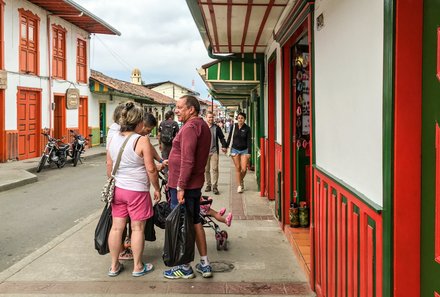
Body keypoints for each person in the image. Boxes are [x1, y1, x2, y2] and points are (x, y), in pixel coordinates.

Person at [106, 101, 161, 277]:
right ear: (139, 122)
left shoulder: (113, 138)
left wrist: (114, 180)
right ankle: (138, 266)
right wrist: (157, 188)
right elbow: (151, 169)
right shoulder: (141, 140)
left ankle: (114, 266)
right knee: (137, 228)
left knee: (116, 228)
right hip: (137, 190)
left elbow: (109, 165)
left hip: (118, 189)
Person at [163, 95, 212, 279]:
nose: (177, 110)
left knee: (182, 225)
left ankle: (184, 267)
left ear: (191, 109)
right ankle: (205, 263)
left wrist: (180, 186)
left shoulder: (190, 127)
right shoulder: (202, 126)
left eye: (179, 107)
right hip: (194, 184)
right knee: (195, 221)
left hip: (184, 186)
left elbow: (188, 159)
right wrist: (173, 160)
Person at [226, 112, 251, 193]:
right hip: (234, 149)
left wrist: (249, 152)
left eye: (242, 118)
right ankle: (239, 186)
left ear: (244, 119)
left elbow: (249, 141)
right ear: (237, 119)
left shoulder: (247, 128)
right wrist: (225, 146)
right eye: (239, 118)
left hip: (244, 150)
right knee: (238, 168)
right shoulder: (234, 126)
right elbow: (230, 137)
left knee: (244, 169)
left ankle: (240, 180)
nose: (240, 119)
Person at [204, 111, 227, 195]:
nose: (211, 119)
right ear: (206, 117)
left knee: (215, 169)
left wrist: (224, 146)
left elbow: (222, 137)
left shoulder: (216, 127)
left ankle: (214, 186)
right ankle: (208, 185)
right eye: (209, 117)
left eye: (212, 117)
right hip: (204, 152)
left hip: (214, 151)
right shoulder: (203, 127)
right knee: (206, 169)